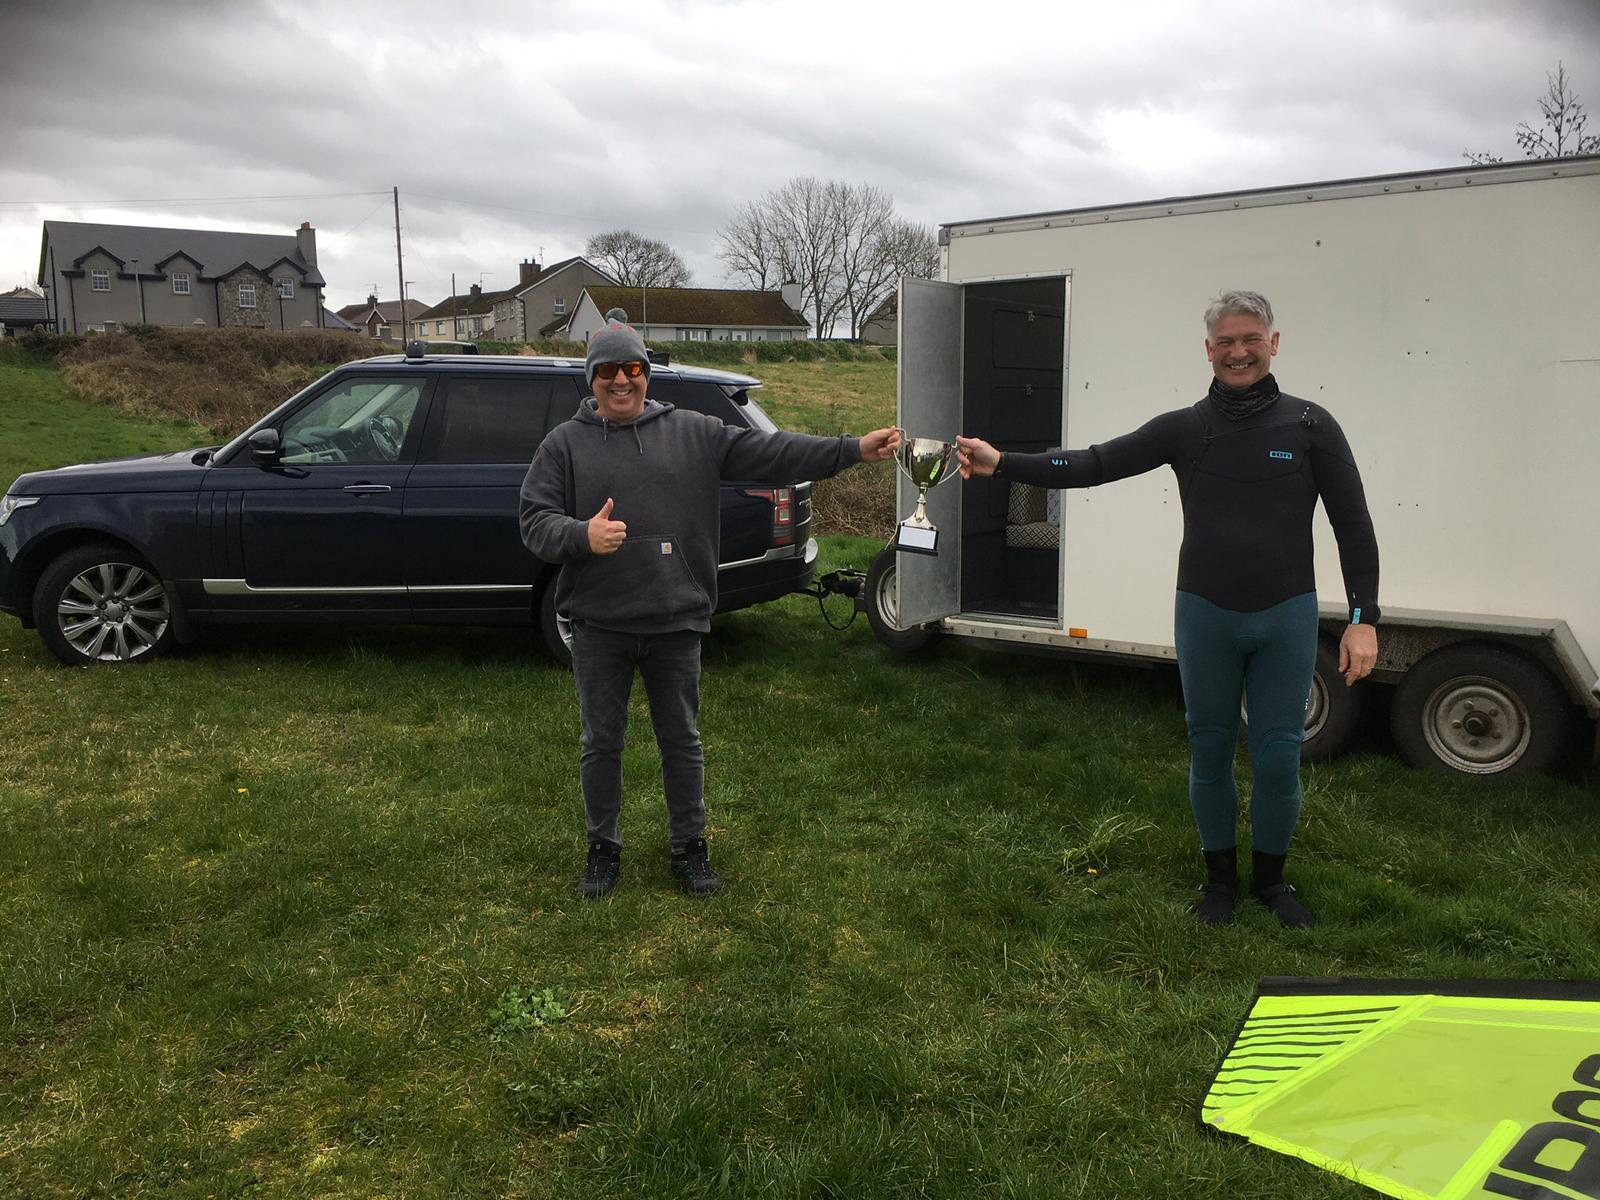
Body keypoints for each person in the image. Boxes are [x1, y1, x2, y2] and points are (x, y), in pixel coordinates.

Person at [955, 290, 1379, 929]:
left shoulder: (1310, 426)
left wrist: (1363, 619)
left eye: (1251, 339)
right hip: (1205, 613)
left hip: (1286, 615)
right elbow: (1095, 463)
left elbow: (1354, 523)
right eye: (1226, 342)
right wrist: (1004, 462)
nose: (1239, 352)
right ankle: (1220, 883)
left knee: (1278, 755)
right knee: (1209, 750)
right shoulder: (1186, 428)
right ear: (1208, 350)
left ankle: (1272, 882)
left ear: (1273, 342)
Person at [520, 309, 900, 900]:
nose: (620, 381)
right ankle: (603, 849)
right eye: (607, 371)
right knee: (602, 743)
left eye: (631, 370)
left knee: (682, 742)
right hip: (600, 624)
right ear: (591, 379)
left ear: (646, 374)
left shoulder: (695, 432)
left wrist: (850, 449)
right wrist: (581, 535)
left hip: (677, 618)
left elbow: (775, 453)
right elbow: (534, 522)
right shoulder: (563, 445)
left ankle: (689, 849)